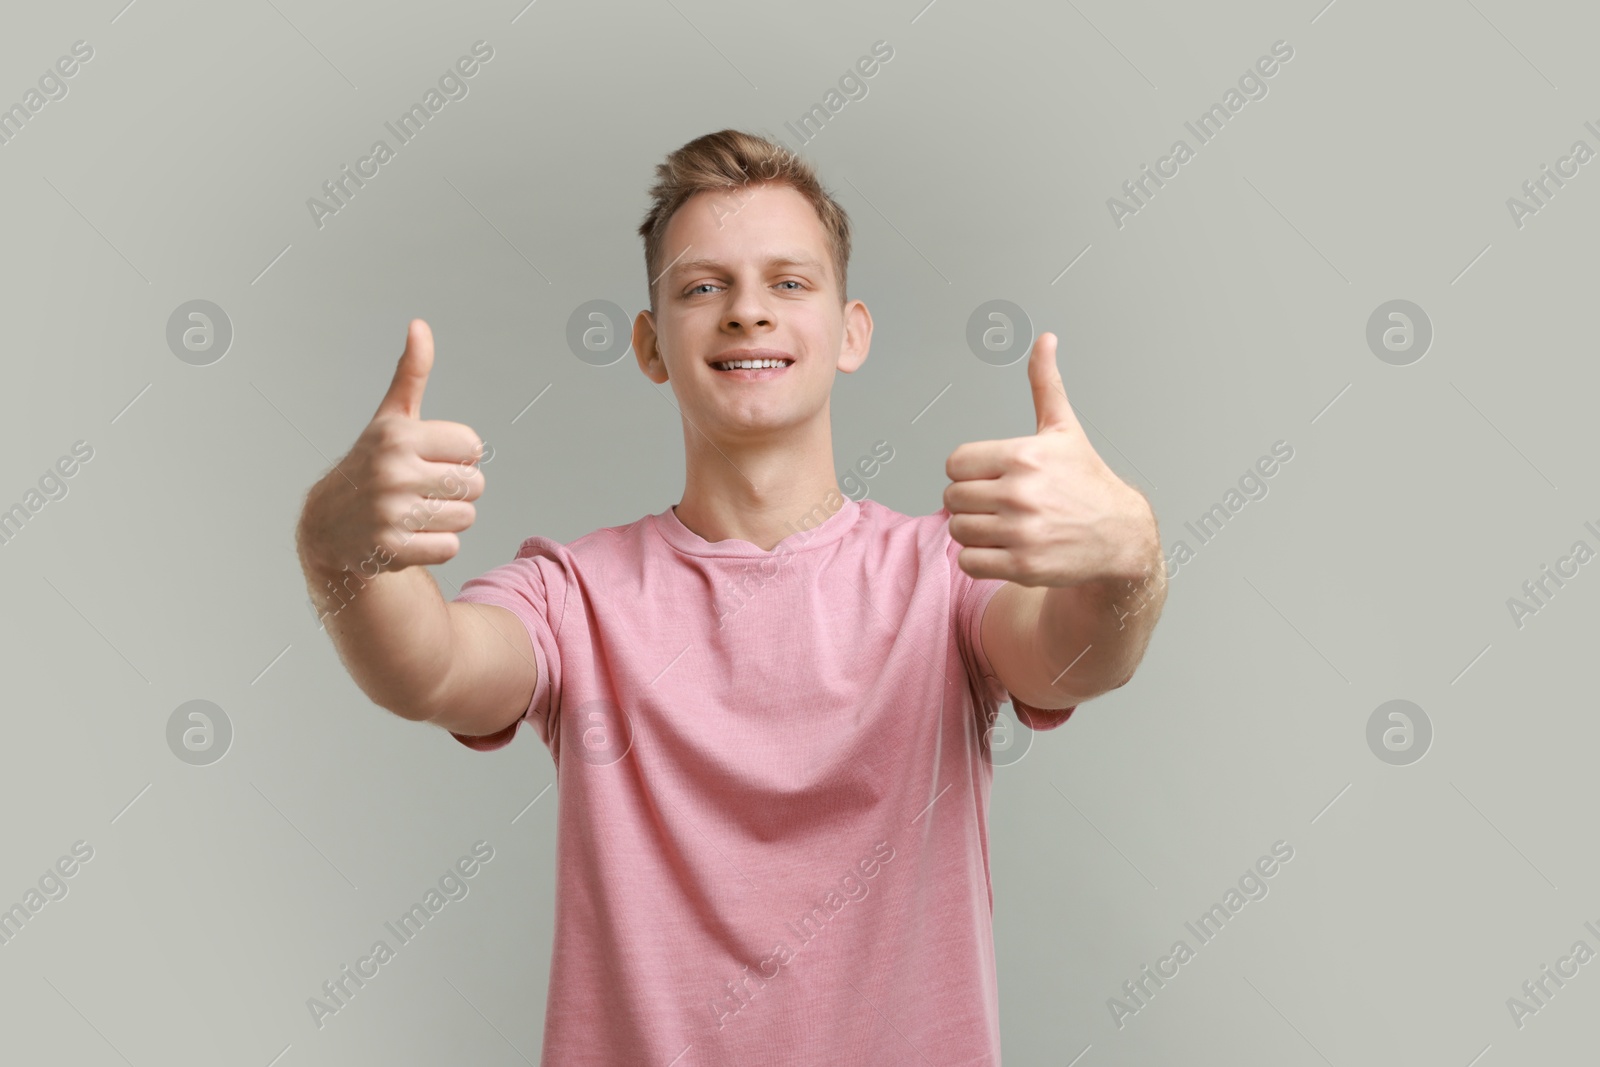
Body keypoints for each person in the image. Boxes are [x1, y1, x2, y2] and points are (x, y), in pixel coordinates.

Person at [295, 128, 1166, 1064]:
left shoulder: (946, 578)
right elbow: (430, 667)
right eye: (703, 286)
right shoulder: (573, 595)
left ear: (851, 329)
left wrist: (1129, 560)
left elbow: (1076, 655)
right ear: (650, 343)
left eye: (789, 283)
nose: (748, 312)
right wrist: (337, 552)